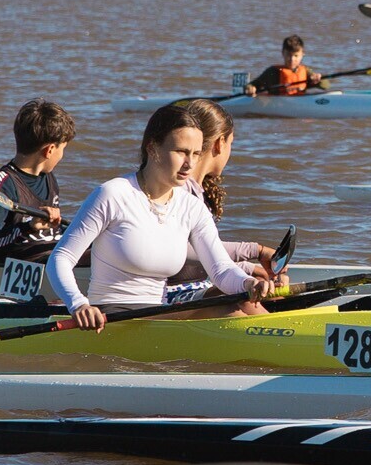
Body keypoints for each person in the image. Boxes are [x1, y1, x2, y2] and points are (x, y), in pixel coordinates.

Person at [47, 103, 277, 331]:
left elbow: (221, 269)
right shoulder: (113, 194)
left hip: (157, 309)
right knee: (225, 311)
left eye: (196, 153)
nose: (190, 163)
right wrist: (78, 304)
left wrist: (248, 282)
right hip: (110, 316)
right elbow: (61, 258)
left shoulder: (191, 207)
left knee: (231, 299)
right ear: (153, 148)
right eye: (181, 152)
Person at [176, 99, 279, 271]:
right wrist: (256, 251)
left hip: (200, 285)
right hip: (177, 292)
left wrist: (248, 269)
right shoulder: (180, 190)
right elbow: (180, 249)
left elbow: (206, 251)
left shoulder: (197, 190)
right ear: (220, 143)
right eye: (231, 143)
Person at [0, 99, 74, 265]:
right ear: (49, 150)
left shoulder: (49, 178)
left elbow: (52, 234)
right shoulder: (3, 182)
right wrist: (28, 228)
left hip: (53, 256)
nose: (62, 155)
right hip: (25, 263)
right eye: (62, 149)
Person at [244, 35, 327, 97]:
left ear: (302, 55)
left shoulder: (306, 71)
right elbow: (253, 84)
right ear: (283, 53)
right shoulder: (272, 72)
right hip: (277, 103)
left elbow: (326, 86)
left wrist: (319, 79)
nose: (291, 59)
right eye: (288, 55)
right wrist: (250, 89)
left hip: (300, 101)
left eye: (296, 56)